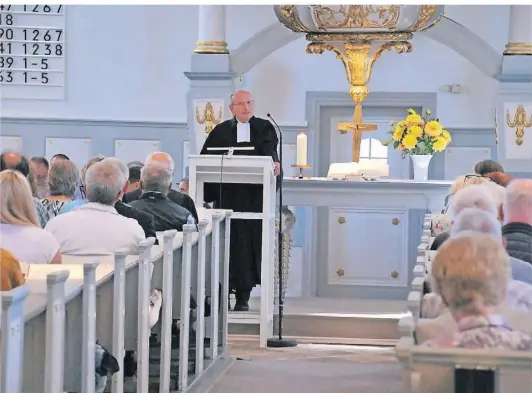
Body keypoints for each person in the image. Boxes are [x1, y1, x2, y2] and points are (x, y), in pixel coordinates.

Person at [200, 90, 281, 311]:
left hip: (253, 200)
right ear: (231, 108)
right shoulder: (221, 130)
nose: (246, 107)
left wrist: (274, 163)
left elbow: (269, 152)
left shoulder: (264, 127)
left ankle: (243, 297)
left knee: (247, 248)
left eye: (249, 102)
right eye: (241, 104)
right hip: (227, 198)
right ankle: (222, 295)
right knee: (224, 246)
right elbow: (206, 157)